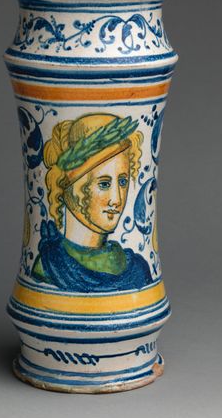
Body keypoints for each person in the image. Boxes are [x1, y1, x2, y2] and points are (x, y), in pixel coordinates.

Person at [31, 113, 152, 292]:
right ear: (71, 187)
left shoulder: (137, 270)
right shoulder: (48, 267)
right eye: (104, 184)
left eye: (123, 182)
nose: (117, 199)